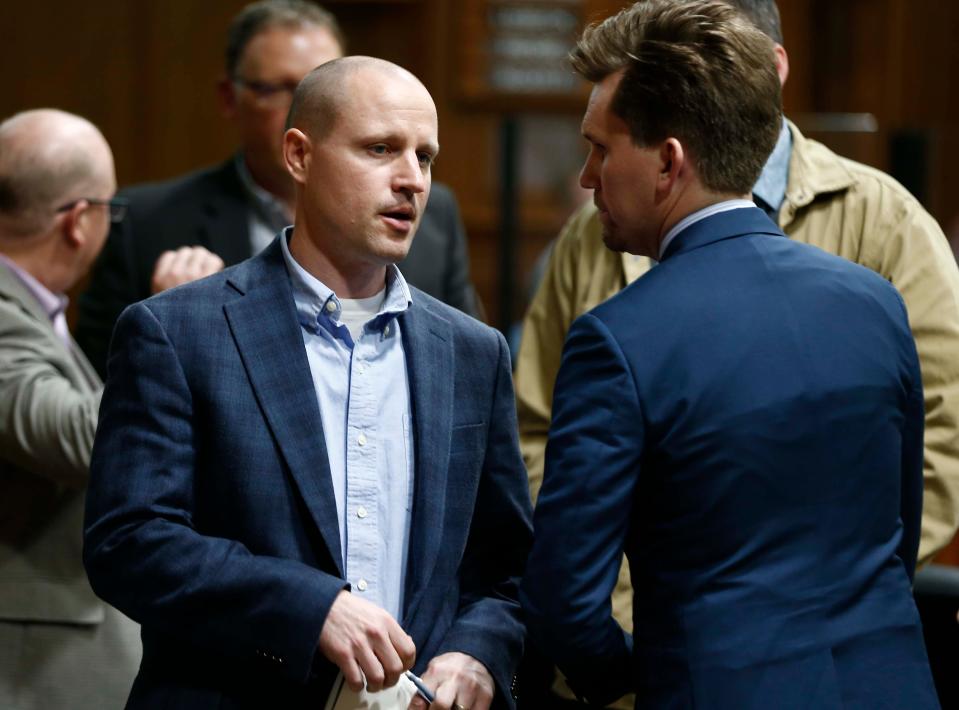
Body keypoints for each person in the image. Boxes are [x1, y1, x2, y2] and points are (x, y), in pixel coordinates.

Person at [514, 0, 959, 701]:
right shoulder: (875, 302)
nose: (586, 177)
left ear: (667, 163)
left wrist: (625, 671)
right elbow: (892, 534)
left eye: (600, 148)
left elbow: (562, 601)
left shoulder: (618, 340)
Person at [83, 57, 531, 710]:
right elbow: (129, 543)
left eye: (425, 157)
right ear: (299, 155)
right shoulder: (176, 331)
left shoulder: (470, 351)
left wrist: (477, 652)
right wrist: (311, 608)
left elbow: (507, 571)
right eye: (380, 149)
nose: (411, 179)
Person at [76, 0, 482, 379]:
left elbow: (461, 372)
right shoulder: (147, 224)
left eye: (321, 88)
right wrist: (178, 319)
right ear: (230, 98)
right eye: (281, 89)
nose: (302, 106)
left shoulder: (435, 215)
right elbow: (103, 403)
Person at [0, 109, 140, 709]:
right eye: (113, 209)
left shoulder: (33, 309)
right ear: (81, 220)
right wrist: (173, 332)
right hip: (35, 660)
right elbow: (79, 438)